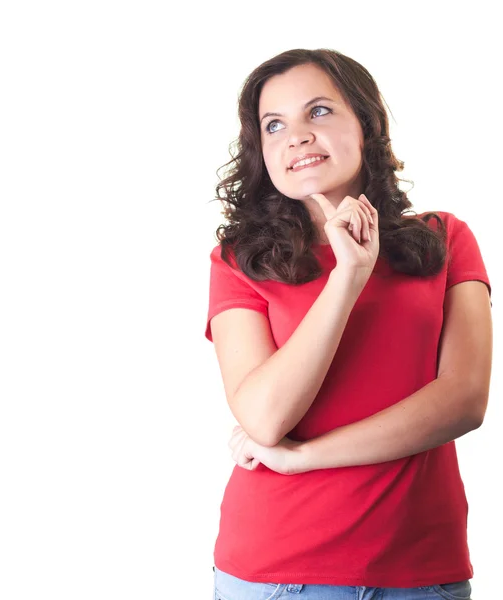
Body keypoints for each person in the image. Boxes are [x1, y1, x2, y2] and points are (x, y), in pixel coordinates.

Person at [204, 49, 492, 600]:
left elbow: (464, 400)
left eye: (318, 112)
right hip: (274, 572)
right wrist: (347, 278)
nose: (297, 137)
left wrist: (303, 456)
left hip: (420, 571)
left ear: (367, 123)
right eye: (274, 125)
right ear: (261, 151)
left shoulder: (445, 239)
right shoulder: (239, 261)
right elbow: (264, 417)